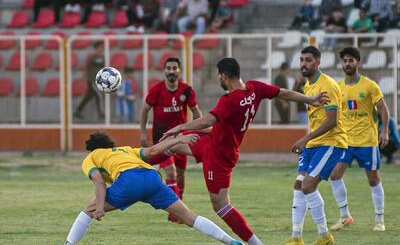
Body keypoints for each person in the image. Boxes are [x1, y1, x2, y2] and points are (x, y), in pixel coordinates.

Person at [150, 57, 329, 244]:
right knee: (173, 142)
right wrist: (309, 99)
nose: (219, 79)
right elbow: (283, 93)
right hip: (213, 141)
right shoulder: (255, 88)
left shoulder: (229, 100)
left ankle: (256, 243)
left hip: (218, 155)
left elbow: (208, 120)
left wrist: (180, 126)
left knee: (221, 206)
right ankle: (137, 163)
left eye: (219, 76)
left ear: (224, 76)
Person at [63, 132, 244, 245]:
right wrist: (178, 140)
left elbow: (99, 183)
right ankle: (231, 242)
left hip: (129, 181)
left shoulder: (91, 157)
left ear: (90, 149)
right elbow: (151, 151)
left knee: (88, 210)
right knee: (190, 217)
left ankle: (68, 243)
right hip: (152, 178)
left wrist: (100, 207)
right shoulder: (124, 150)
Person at [285, 46, 348, 245]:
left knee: (308, 185)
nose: (303, 64)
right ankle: (296, 238)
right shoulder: (307, 86)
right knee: (298, 184)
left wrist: (305, 139)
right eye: (301, 59)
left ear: (318, 62)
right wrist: (308, 142)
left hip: (331, 142)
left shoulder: (327, 85)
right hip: (314, 143)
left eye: (308, 60)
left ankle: (325, 236)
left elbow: (332, 121)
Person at [329, 47, 389, 232]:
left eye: (351, 60)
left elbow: (383, 109)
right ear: (342, 64)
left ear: (358, 62)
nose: (348, 64)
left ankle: (379, 220)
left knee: (373, 179)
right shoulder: (338, 86)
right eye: (345, 61)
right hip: (345, 141)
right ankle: (345, 216)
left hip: (367, 142)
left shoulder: (370, 85)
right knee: (334, 176)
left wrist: (384, 131)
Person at [140, 57, 202, 222]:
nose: (171, 71)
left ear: (179, 71)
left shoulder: (186, 91)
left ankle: (177, 209)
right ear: (164, 71)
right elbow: (145, 110)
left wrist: (198, 129)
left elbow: (196, 112)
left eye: (175, 68)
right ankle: (176, 212)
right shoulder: (156, 90)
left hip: (181, 139)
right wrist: (142, 133)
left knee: (181, 174)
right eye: (168, 68)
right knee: (171, 171)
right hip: (162, 140)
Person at [74, 41, 105, 120]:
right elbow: (87, 67)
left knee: (88, 96)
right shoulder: (92, 57)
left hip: (100, 79)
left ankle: (78, 111)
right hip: (92, 79)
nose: (101, 49)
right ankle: (101, 113)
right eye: (100, 47)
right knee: (99, 95)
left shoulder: (104, 57)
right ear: (96, 48)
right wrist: (84, 77)